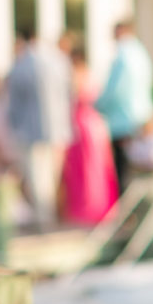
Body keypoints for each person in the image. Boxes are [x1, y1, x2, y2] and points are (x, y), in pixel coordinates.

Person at [5, 27, 72, 227]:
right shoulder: (59, 62)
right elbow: (69, 93)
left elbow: (14, 101)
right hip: (58, 128)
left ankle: (44, 216)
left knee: (37, 175)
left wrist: (14, 124)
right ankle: (49, 214)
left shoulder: (22, 65)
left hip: (30, 129)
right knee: (51, 174)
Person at [61, 44, 119, 225]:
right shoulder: (91, 75)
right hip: (93, 125)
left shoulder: (76, 76)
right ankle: (97, 207)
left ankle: (90, 208)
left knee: (86, 169)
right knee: (93, 168)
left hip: (82, 127)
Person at [95, 18, 153, 193]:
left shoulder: (123, 55)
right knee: (137, 168)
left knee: (121, 170)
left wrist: (98, 105)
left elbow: (114, 89)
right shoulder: (140, 52)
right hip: (140, 116)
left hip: (123, 119)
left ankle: (123, 209)